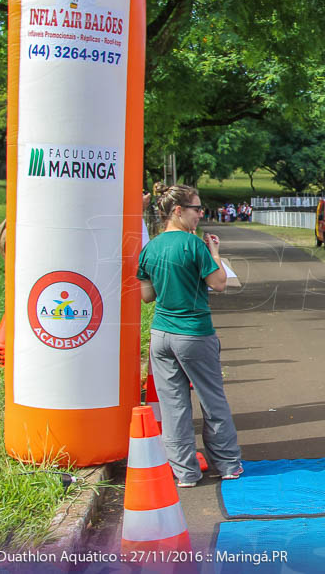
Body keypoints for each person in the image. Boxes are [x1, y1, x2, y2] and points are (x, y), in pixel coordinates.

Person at [137, 185, 244, 487]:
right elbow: (220, 283)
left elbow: (146, 295)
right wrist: (215, 251)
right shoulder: (193, 245)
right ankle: (227, 464)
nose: (200, 214)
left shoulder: (151, 248)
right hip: (194, 332)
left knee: (174, 407)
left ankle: (185, 472)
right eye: (196, 209)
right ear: (177, 211)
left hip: (161, 334)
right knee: (213, 401)